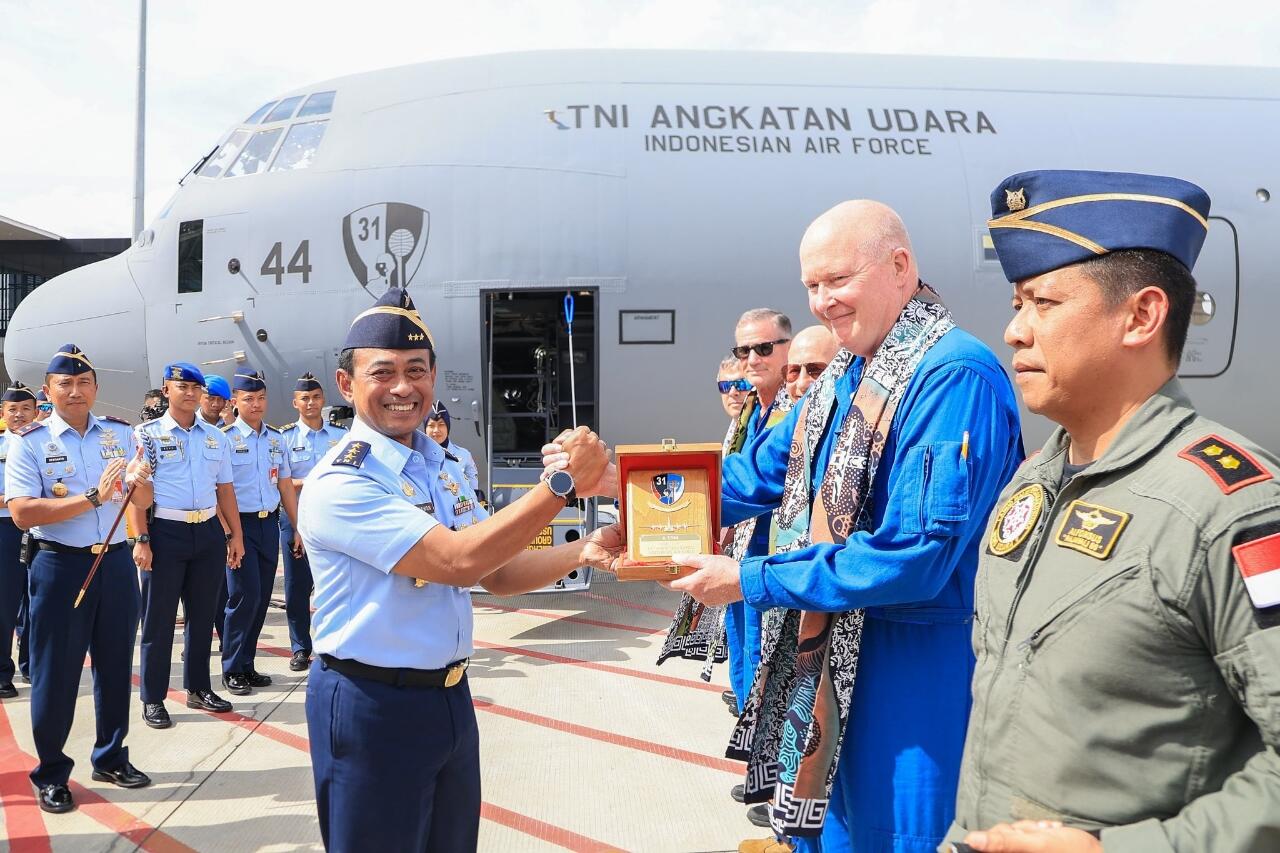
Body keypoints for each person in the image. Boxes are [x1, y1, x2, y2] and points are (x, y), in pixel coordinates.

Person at [551, 201, 1023, 853]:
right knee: (830, 829)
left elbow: (915, 556)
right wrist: (613, 483)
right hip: (831, 661)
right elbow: (750, 478)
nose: (823, 302)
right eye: (812, 286)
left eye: (838, 280)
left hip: (917, 673)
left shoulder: (951, 374)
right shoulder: (845, 377)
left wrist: (748, 577)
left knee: (901, 836)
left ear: (899, 266)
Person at [943, 171, 1280, 853]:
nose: (1013, 330)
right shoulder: (1033, 485)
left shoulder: (1226, 508)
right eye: (1016, 302)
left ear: (1141, 316)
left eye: (1043, 302)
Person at [298, 286, 621, 853]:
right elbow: (457, 560)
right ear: (347, 385)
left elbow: (497, 572)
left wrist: (584, 550)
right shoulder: (341, 481)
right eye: (384, 372)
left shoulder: (439, 466)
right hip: (372, 705)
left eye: (417, 371)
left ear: (434, 377)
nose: (404, 387)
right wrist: (562, 485)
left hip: (448, 698)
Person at [5, 345, 154, 813]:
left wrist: (141, 480)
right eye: (64, 384)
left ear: (95, 388)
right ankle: (51, 771)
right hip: (59, 565)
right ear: (48, 391)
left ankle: (110, 756)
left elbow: (141, 501)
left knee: (114, 666)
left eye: (83, 382)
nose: (75, 391)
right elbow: (24, 512)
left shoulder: (118, 433)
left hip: (112, 562)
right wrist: (93, 497)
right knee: (57, 672)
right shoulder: (28, 441)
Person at [130, 363, 243, 728]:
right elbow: (134, 493)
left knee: (202, 618)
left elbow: (225, 490)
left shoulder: (215, 437)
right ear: (167, 390)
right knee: (159, 621)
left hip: (207, 532)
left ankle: (198, 687)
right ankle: (153, 698)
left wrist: (235, 535)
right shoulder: (145, 435)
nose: (191, 393)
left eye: (197, 388)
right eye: (183, 386)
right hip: (165, 532)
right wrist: (142, 540)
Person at [220, 369, 300, 695]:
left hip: (269, 524)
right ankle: (232, 668)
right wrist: (229, 534)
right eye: (249, 399)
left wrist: (297, 527)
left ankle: (247, 664)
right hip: (241, 525)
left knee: (262, 599)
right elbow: (217, 490)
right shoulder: (224, 439)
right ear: (235, 402)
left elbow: (284, 484)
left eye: (261, 398)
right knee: (243, 597)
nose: (256, 404)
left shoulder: (276, 439)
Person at [279, 372, 347, 671]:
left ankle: (334, 643)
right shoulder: (283, 439)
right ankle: (300, 647)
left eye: (316, 397)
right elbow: (279, 482)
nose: (310, 403)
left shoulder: (341, 437)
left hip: (335, 521)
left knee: (337, 582)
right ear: (295, 403)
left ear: (323, 400)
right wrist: (310, 481)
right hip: (297, 520)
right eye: (304, 398)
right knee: (297, 587)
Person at [0, 381, 38, 697]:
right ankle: (2, 671)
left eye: (26, 408)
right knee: (5, 603)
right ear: (3, 412)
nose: (19, 415)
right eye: (13, 409)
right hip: (5, 530)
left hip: (43, 528)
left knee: (39, 601)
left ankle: (33, 666)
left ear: (36, 411)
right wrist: (16, 500)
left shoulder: (47, 443)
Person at [423, 400, 479, 491]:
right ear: (425, 428)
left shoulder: (464, 455)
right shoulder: (417, 455)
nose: (436, 430)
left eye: (441, 425)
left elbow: (474, 492)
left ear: (448, 427)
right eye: (431, 425)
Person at [784, 325, 838, 403]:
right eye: (794, 371)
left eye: (816, 371)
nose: (802, 384)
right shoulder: (780, 413)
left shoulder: (857, 413)